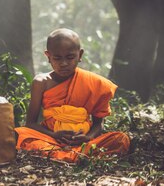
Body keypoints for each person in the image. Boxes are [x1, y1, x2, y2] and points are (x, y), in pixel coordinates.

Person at [15, 28, 130, 162]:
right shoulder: (41, 82)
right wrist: (54, 134)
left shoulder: (93, 83)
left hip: (82, 142)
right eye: (57, 58)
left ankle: (65, 155)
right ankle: (77, 156)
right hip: (50, 139)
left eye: (70, 57)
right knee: (18, 133)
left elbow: (99, 124)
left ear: (80, 55)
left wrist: (88, 137)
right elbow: (30, 123)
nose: (63, 64)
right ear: (48, 56)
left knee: (121, 138)